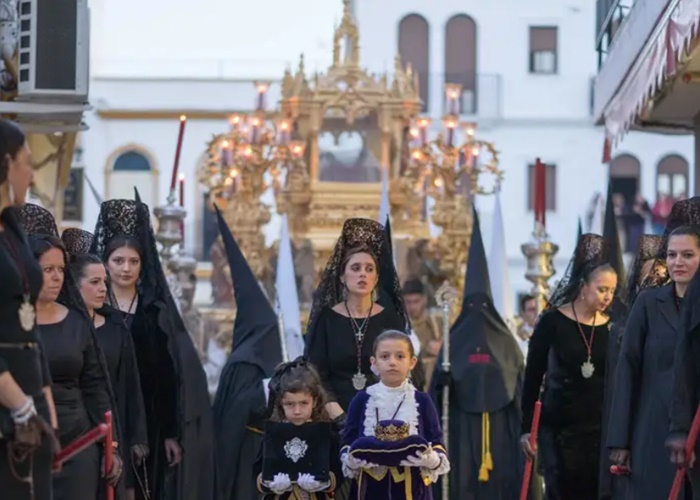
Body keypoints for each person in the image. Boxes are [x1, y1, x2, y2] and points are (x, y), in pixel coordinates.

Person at [90, 198, 214, 500]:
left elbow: (169, 374)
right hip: (104, 412)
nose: (125, 268)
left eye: (133, 261)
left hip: (151, 419)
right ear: (105, 262)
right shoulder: (94, 308)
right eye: (118, 261)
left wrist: (172, 433)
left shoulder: (154, 311)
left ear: (143, 265)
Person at [22, 208, 122, 499]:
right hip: (24, 444)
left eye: (61, 270)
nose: (56, 277)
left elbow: (95, 387)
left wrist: (110, 446)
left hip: (79, 444)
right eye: (47, 270)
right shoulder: (12, 323)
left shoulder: (77, 322)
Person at [432, 207, 527, 499]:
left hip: (501, 430)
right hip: (460, 428)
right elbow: (435, 395)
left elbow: (520, 385)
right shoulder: (453, 341)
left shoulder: (506, 342)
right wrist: (444, 381)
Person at [521, 234, 619, 500]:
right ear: (583, 286)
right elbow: (532, 378)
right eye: (601, 289)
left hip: (600, 429)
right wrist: (526, 429)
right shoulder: (552, 322)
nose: (608, 297)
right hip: (559, 429)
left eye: (612, 291)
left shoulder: (613, 327)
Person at [608, 224, 700, 498]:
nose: (677, 262)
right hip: (652, 430)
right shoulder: (648, 304)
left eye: (687, 255)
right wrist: (619, 440)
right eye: (672, 255)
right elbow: (627, 369)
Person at [62, 228, 148, 500]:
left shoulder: (115, 328)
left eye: (104, 282)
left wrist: (137, 437)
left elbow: (131, 385)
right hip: (73, 431)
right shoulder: (64, 330)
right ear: (75, 285)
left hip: (113, 426)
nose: (103, 289)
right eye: (95, 282)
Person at [0, 119, 59, 500]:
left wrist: (43, 402)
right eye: (26, 161)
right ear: (6, 164)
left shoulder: (12, 228)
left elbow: (27, 320)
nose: (31, 172)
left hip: (28, 390)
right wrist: (19, 405)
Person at [211, 205, 284, 500]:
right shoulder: (246, 362)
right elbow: (236, 412)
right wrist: (268, 390)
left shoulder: (252, 356)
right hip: (247, 457)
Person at [341, 330, 450, 499]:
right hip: (369, 487)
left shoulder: (422, 400)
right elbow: (348, 441)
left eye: (400, 356)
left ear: (412, 362)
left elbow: (436, 441)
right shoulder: (362, 400)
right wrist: (351, 460)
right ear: (374, 363)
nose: (392, 362)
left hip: (412, 488)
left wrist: (432, 459)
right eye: (385, 357)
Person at [254, 358, 342, 499]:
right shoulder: (273, 436)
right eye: (289, 404)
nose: (297, 411)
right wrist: (271, 484)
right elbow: (258, 472)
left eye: (303, 403)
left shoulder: (327, 435)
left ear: (315, 401)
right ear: (280, 403)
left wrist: (322, 483)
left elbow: (338, 473)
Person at [402, 279, 441, 388]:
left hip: (433, 380)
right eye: (408, 302)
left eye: (416, 301)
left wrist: (442, 350)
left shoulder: (437, 322)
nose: (412, 307)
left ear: (424, 299)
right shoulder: (400, 325)